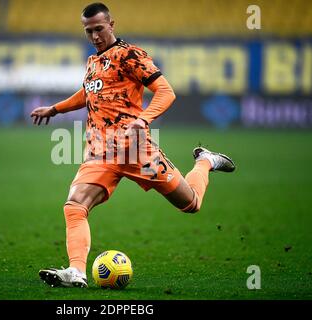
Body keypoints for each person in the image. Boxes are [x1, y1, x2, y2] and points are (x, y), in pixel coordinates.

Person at [31, 2, 235, 288]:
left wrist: (144, 118)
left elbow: (166, 91)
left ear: (111, 24)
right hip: (100, 151)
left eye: (99, 29)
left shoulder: (130, 55)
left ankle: (205, 160)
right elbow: (88, 93)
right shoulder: (93, 62)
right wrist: (55, 109)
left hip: (137, 150)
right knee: (74, 206)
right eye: (88, 31)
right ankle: (75, 271)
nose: (94, 36)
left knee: (190, 204)